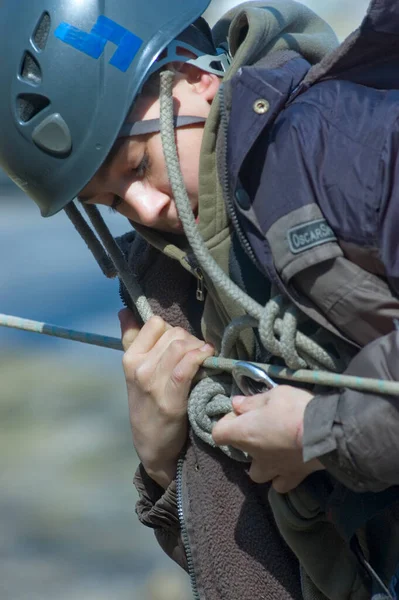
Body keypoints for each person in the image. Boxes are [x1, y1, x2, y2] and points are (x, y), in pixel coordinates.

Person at [1, 0, 399, 598]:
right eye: (110, 202)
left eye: (138, 165)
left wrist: (318, 433)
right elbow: (235, 571)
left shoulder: (341, 144)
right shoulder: (170, 283)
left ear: (194, 77)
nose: (146, 210)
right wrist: (163, 462)